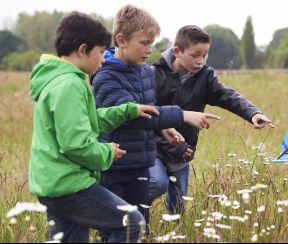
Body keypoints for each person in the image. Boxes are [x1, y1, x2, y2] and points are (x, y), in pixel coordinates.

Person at [28, 11, 159, 243]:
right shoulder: (70, 85)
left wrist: (128, 110)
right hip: (70, 184)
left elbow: (86, 121)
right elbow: (75, 144)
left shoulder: (57, 79)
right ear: (82, 50)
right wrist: (108, 152)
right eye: (100, 52)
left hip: (53, 183)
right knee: (132, 223)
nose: (103, 59)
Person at [91, 5, 219, 235]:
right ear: (121, 40)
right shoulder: (105, 77)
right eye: (144, 43)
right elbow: (134, 116)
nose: (150, 50)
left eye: (152, 43)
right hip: (113, 167)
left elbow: (151, 110)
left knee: (141, 229)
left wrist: (164, 128)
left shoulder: (146, 72)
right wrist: (182, 115)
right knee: (117, 231)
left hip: (141, 164)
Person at [150, 25, 274, 215]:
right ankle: (132, 217)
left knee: (178, 209)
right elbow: (149, 115)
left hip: (183, 154)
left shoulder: (205, 77)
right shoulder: (154, 75)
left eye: (205, 55)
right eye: (195, 55)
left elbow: (228, 96)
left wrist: (253, 113)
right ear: (177, 51)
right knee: (155, 184)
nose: (200, 61)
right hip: (155, 149)